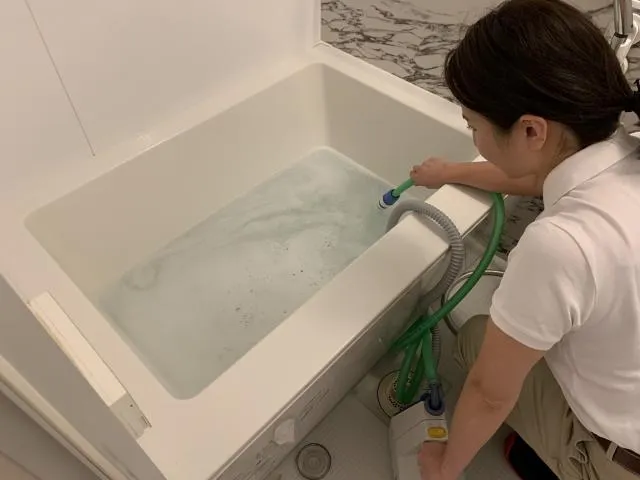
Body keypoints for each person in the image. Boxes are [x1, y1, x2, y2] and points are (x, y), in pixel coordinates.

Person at [409, 1, 640, 479]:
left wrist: (444, 467)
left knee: (475, 340)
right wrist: (449, 171)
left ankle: (568, 461)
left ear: (532, 130)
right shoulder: (625, 153)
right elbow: (541, 175)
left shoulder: (561, 243)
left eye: (473, 126)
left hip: (621, 462)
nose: (473, 136)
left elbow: (490, 394)